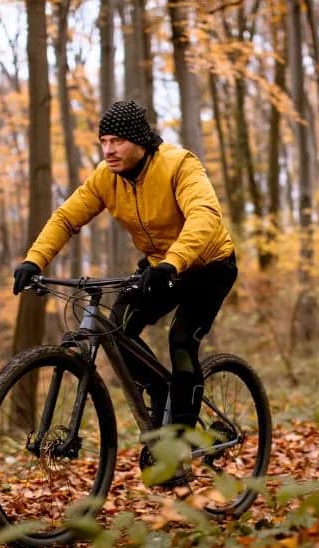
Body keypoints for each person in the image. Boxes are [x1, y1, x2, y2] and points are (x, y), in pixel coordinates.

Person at [13, 99, 237, 435]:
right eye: (103, 141)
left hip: (209, 266)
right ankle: (159, 389)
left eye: (117, 141)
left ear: (141, 142)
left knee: (181, 339)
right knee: (115, 328)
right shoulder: (106, 178)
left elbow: (204, 216)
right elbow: (66, 218)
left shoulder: (180, 165)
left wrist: (172, 264)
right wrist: (34, 259)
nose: (108, 150)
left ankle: (180, 440)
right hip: (160, 267)